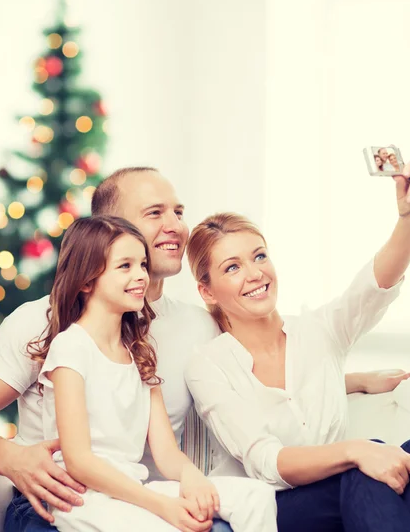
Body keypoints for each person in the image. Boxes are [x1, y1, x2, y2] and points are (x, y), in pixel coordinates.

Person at [0, 167, 410, 532]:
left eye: (178, 211)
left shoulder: (199, 326)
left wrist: (350, 381)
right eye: (154, 214)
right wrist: (9, 458)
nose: (175, 226)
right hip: (66, 506)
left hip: (152, 501)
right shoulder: (46, 323)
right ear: (110, 228)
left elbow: (263, 368)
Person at [184, 161, 410, 532]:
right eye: (232, 267)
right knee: (366, 463)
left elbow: (371, 291)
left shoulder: (318, 332)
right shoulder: (208, 365)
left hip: (346, 499)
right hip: (272, 510)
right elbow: (267, 461)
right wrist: (356, 450)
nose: (255, 273)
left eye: (259, 255)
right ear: (207, 291)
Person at [30, 214, 277, 532]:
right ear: (87, 280)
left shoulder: (138, 352)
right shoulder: (70, 348)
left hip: (134, 490)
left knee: (256, 496)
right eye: (125, 266)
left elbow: (166, 452)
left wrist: (191, 478)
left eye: (143, 265)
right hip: (85, 500)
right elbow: (79, 461)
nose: (141, 276)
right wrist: (163, 507)